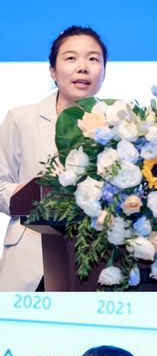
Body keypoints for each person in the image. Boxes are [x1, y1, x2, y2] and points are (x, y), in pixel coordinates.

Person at [0, 25, 107, 290]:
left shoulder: (119, 126)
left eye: (93, 59)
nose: (83, 67)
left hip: (100, 259)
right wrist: (36, 196)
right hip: (32, 257)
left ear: (104, 70)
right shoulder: (21, 119)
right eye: (71, 58)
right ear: (52, 70)